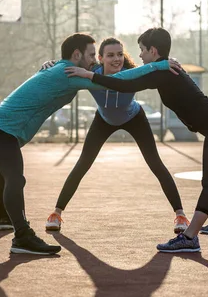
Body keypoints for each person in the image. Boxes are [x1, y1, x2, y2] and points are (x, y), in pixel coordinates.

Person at [0, 33, 182, 255]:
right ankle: (24, 234)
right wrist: (161, 64)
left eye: (116, 55)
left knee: (1, 176)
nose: (95, 59)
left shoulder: (70, 70)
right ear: (77, 55)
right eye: (92, 55)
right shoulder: (73, 74)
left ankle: (2, 218)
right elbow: (113, 80)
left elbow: (123, 77)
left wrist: (159, 66)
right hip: (3, 130)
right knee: (15, 178)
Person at [64, 28, 208, 253]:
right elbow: (129, 78)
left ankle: (190, 237)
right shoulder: (166, 68)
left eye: (142, 50)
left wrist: (88, 75)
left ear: (153, 50)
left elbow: (124, 84)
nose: (139, 55)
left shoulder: (164, 72)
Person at [39, 37, 189, 234]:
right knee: (82, 164)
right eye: (110, 55)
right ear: (100, 58)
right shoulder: (90, 73)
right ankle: (56, 213)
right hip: (103, 120)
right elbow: (67, 68)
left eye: (119, 54)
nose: (116, 59)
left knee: (155, 163)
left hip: (134, 117)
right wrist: (51, 65)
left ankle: (180, 215)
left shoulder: (132, 74)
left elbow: (151, 69)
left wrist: (164, 63)